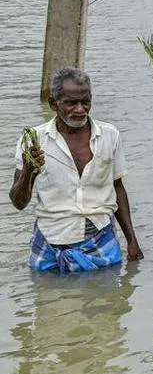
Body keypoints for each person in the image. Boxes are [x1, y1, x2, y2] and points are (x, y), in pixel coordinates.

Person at [9, 68, 142, 271]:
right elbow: (19, 203)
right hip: (49, 240)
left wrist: (132, 241)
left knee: (109, 300)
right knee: (48, 299)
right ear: (54, 103)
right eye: (71, 103)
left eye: (85, 102)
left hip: (100, 238)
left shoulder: (109, 136)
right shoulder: (35, 141)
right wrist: (28, 170)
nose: (80, 109)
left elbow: (118, 188)